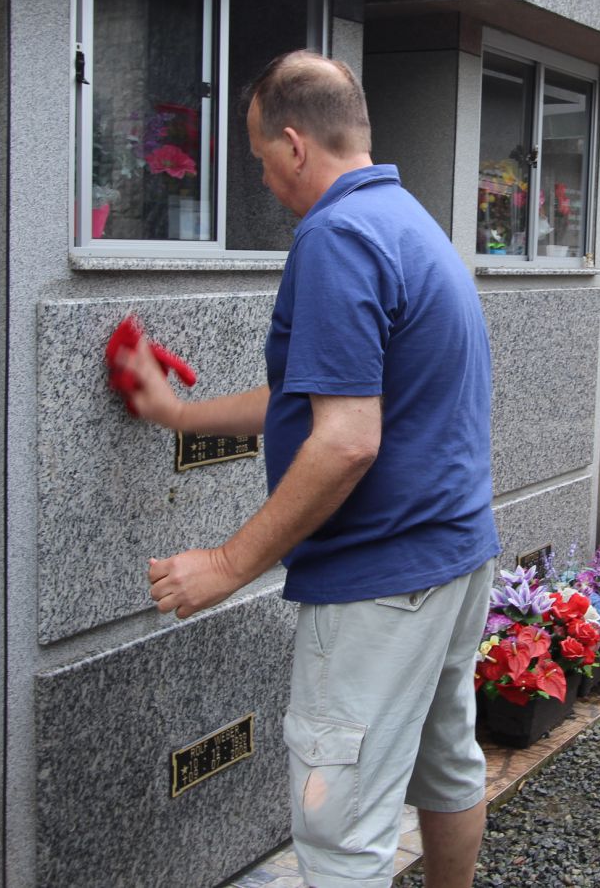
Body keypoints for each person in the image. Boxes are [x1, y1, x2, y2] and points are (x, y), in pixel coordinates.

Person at [118, 51, 499, 888]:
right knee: (448, 769)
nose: (265, 181)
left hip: (380, 582)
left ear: (294, 144)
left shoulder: (335, 236)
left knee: (341, 831)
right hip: (453, 560)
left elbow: (345, 439)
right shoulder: (405, 222)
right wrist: (181, 414)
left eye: (260, 161)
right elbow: (318, 392)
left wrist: (224, 564)